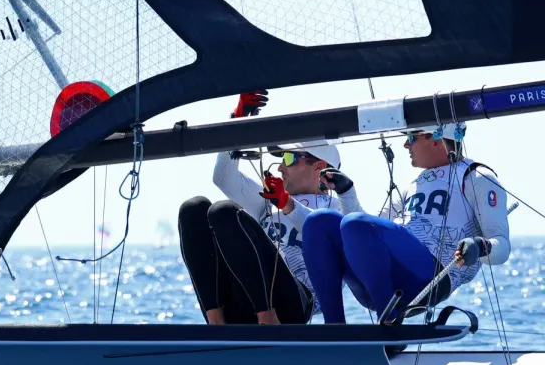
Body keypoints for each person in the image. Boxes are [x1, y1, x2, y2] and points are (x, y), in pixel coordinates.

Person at [178, 91, 363, 324]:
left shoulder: (336, 207)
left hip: (295, 305)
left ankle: (268, 319)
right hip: (246, 298)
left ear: (319, 166)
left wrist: (287, 205)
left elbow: (351, 236)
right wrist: (237, 120)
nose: (280, 167)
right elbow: (223, 179)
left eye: (288, 159)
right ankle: (216, 320)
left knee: (224, 211)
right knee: (194, 208)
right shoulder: (269, 201)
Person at [300, 123, 511, 323]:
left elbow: (502, 246)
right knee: (318, 221)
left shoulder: (477, 177)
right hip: (381, 278)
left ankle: (390, 324)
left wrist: (480, 246)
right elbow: (362, 230)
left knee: (355, 224)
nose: (405, 145)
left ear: (436, 139)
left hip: (430, 279)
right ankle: (335, 328)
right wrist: (346, 192)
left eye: (411, 137)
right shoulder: (414, 185)